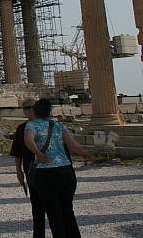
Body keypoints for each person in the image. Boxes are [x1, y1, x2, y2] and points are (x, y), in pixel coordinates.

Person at [24, 98, 92, 238]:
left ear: (35, 111)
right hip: (66, 171)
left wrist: (39, 154)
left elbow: (28, 140)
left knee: (54, 214)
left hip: (47, 173)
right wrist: (85, 154)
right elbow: (73, 145)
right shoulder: (58, 125)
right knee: (68, 211)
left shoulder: (32, 125)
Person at [10, 97, 45, 238]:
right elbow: (17, 152)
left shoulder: (51, 125)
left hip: (51, 170)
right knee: (37, 207)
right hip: (32, 171)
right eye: (27, 108)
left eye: (33, 107)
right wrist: (18, 171)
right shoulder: (22, 129)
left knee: (56, 208)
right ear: (23, 111)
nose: (31, 110)